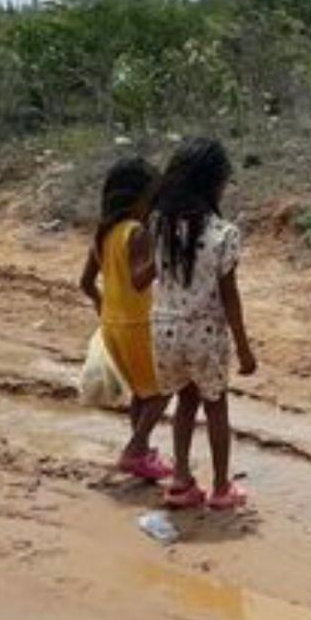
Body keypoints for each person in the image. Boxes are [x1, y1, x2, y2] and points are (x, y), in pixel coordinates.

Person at [149, 138, 256, 510]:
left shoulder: (159, 224)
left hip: (164, 329)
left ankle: (180, 480)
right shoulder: (222, 234)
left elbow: (153, 274)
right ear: (214, 183)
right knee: (215, 406)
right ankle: (222, 486)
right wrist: (243, 348)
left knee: (184, 402)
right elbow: (230, 297)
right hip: (205, 332)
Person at [80, 157, 171, 480]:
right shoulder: (137, 233)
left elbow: (86, 283)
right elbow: (139, 280)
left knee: (141, 393)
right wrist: (163, 255)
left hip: (113, 324)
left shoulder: (102, 234)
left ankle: (142, 452)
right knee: (163, 390)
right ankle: (135, 449)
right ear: (139, 198)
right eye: (152, 197)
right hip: (138, 325)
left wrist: (104, 308)